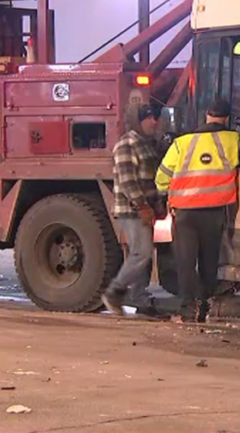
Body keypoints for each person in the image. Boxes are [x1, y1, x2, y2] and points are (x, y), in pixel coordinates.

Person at [156, 98, 240, 322]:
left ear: (206, 116)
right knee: (209, 261)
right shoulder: (234, 140)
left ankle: (187, 308)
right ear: (226, 118)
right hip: (214, 212)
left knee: (185, 261)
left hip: (185, 213)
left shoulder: (182, 143)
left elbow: (161, 178)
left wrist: (168, 191)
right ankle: (204, 305)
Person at [102, 104, 167, 318]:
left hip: (146, 209)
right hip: (132, 210)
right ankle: (114, 293)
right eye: (149, 118)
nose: (154, 122)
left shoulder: (146, 144)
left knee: (145, 255)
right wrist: (142, 206)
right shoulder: (126, 144)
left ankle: (140, 297)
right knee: (142, 252)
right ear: (139, 121)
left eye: (155, 117)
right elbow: (128, 180)